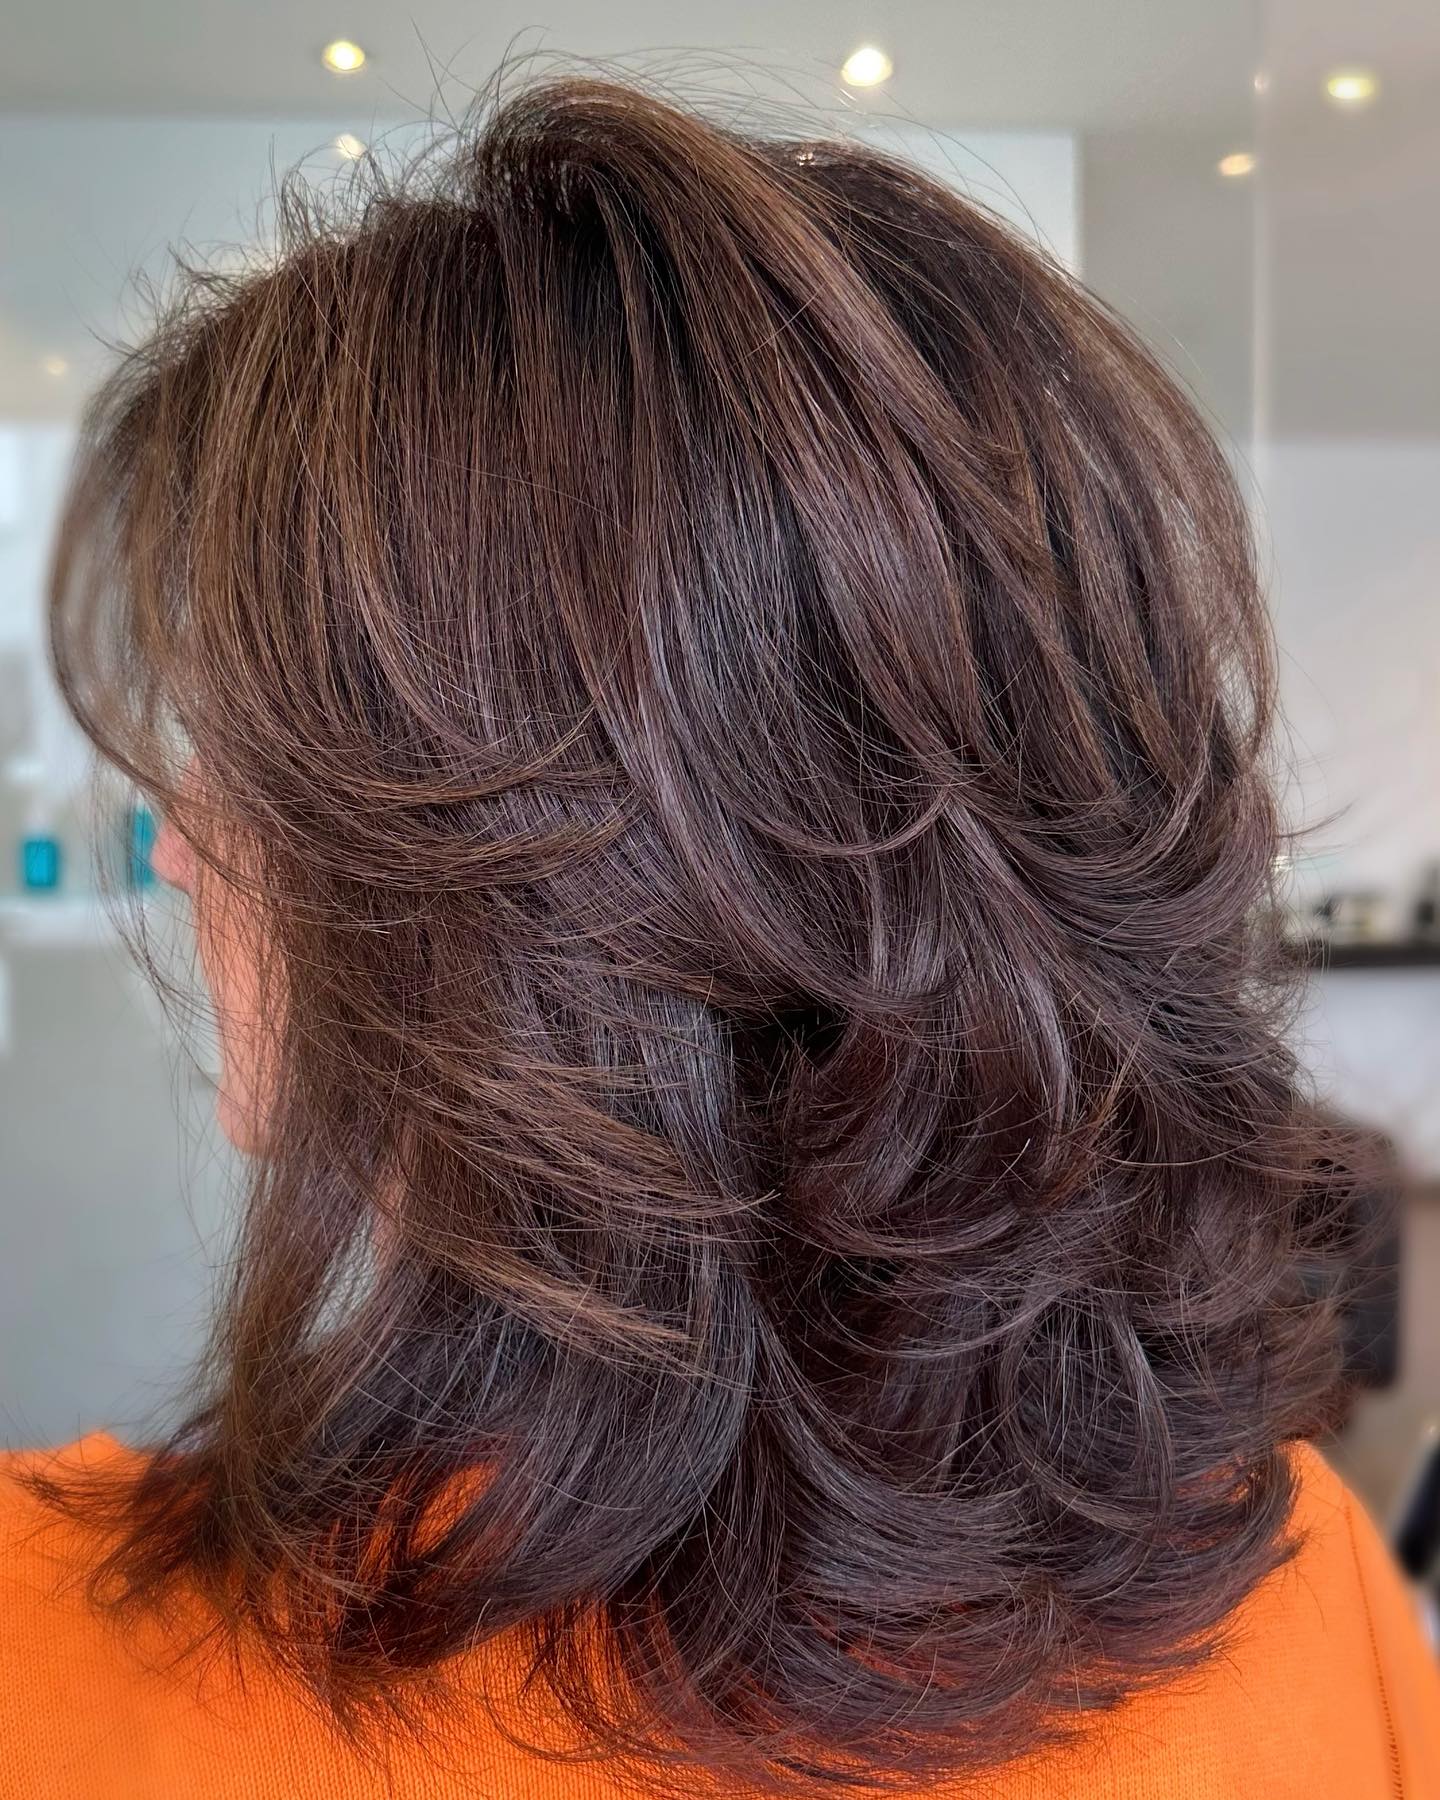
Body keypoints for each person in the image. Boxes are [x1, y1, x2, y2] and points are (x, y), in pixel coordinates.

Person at [2, 75, 1436, 1800]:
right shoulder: (1297, 1599)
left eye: (234, 753)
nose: (174, 847)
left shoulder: (58, 1666)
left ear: (503, 897)